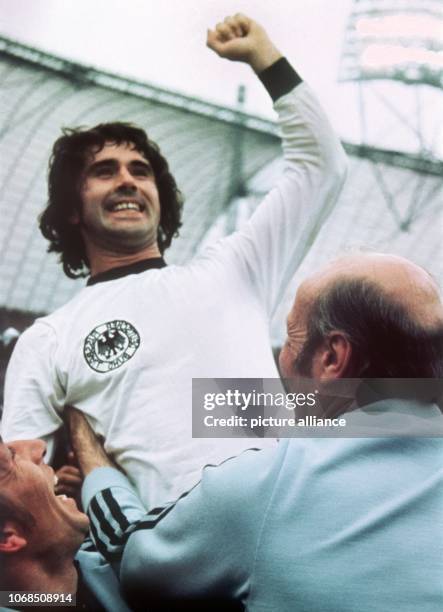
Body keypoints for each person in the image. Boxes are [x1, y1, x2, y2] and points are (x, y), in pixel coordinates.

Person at [1, 14, 348, 509]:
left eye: (141, 171)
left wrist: (266, 60)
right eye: (104, 171)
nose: (128, 180)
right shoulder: (49, 339)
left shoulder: (235, 269)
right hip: (165, 570)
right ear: (73, 210)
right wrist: (67, 489)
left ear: (159, 200)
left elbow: (323, 165)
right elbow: (19, 487)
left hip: (291, 532)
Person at [72, 253, 443, 611]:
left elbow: (129, 555)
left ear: (332, 357)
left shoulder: (267, 487)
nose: (281, 358)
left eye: (291, 335)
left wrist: (93, 459)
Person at [0, 435, 131, 612]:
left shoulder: (55, 598)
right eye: (11, 454)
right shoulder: (135, 561)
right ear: (6, 537)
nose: (40, 445)